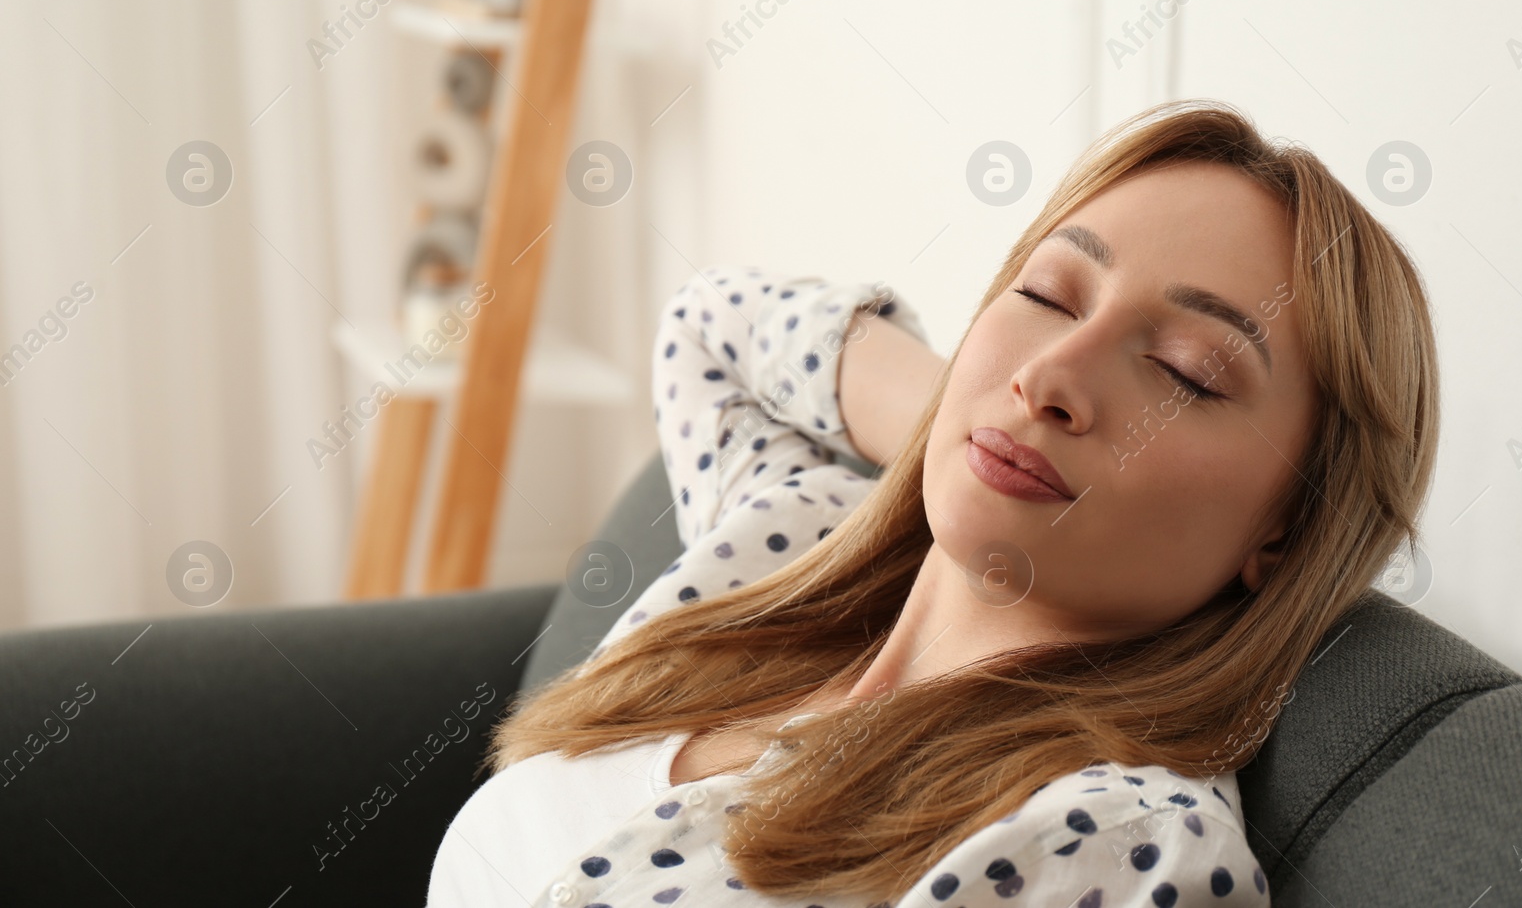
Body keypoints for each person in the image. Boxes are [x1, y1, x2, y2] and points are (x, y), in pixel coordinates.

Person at [426, 99, 1440, 907]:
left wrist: (1010, 430)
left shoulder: (1113, 849)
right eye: (1047, 292)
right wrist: (967, 423)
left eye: (1186, 371)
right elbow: (710, 327)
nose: (1051, 371)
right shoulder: (788, 534)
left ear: (1286, 528)